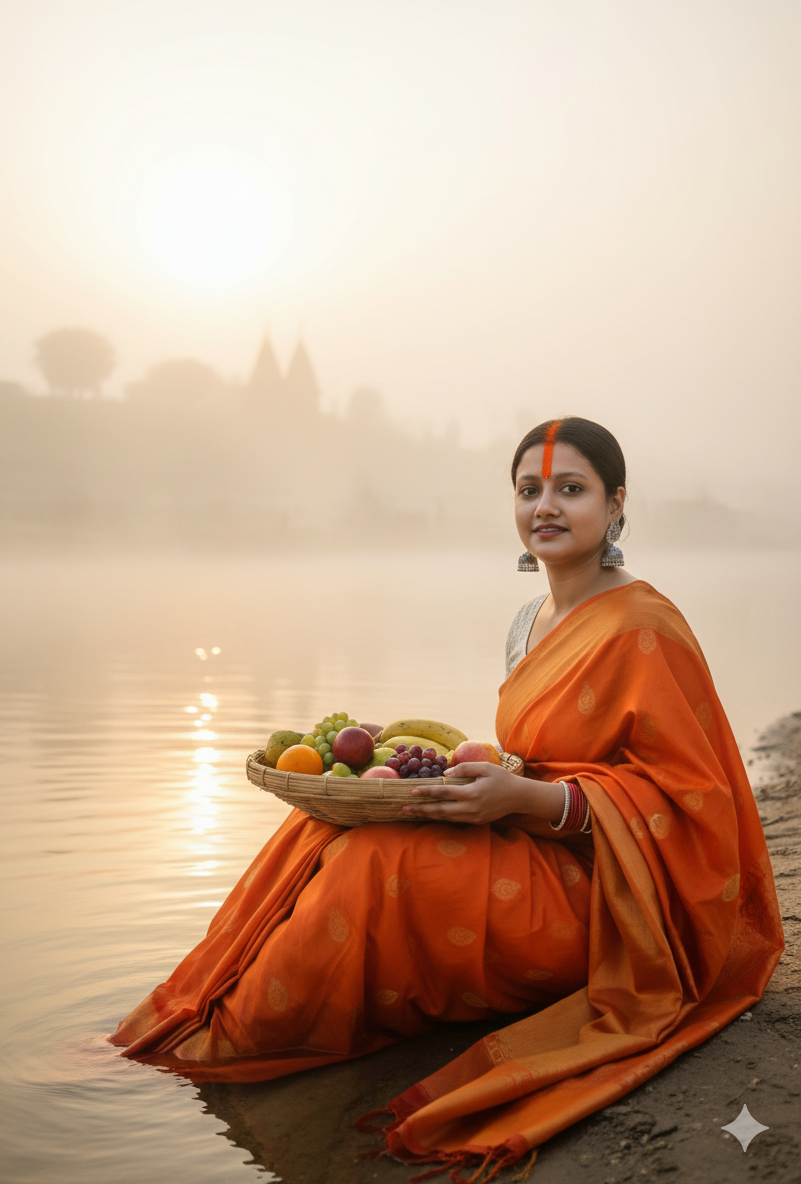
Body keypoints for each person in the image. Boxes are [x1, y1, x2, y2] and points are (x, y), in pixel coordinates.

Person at [109, 417, 783, 1179]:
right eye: (530, 490)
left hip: (610, 903)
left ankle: (239, 1048)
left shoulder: (644, 627)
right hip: (530, 844)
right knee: (324, 832)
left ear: (617, 504)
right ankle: (202, 1014)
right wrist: (474, 781)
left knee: (377, 865)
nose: (546, 508)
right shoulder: (528, 622)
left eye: (571, 489)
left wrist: (525, 800)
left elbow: (691, 805)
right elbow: (539, 756)